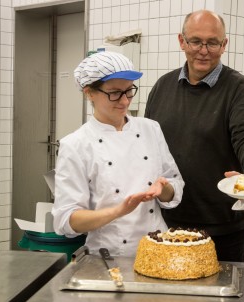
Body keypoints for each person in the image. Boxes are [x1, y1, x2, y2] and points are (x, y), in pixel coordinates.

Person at [145, 10, 244, 262]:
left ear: (224, 44)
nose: (203, 50)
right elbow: (149, 147)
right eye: (195, 41)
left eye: (212, 42)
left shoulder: (239, 88)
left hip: (222, 229)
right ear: (181, 41)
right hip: (167, 223)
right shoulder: (162, 87)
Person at [52, 51, 184, 257]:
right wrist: (118, 211)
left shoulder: (151, 129)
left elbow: (175, 185)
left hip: (159, 249)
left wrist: (164, 188)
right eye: (114, 93)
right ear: (89, 93)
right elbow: (67, 220)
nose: (124, 101)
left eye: (129, 91)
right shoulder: (75, 145)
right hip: (109, 256)